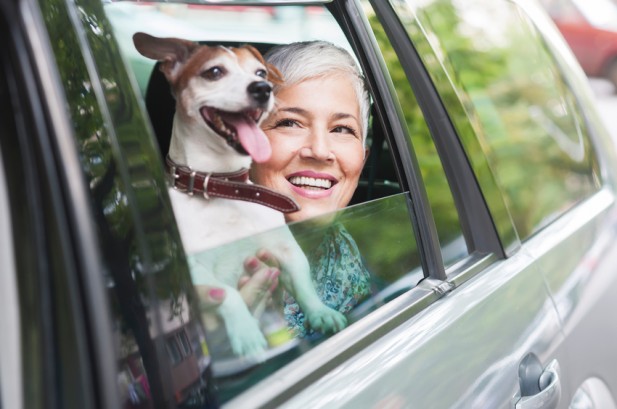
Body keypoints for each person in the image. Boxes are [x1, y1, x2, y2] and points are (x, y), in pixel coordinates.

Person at [201, 40, 372, 339]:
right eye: (290, 123)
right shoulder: (202, 260)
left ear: (363, 157)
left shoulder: (354, 261)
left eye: (341, 129)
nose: (320, 151)